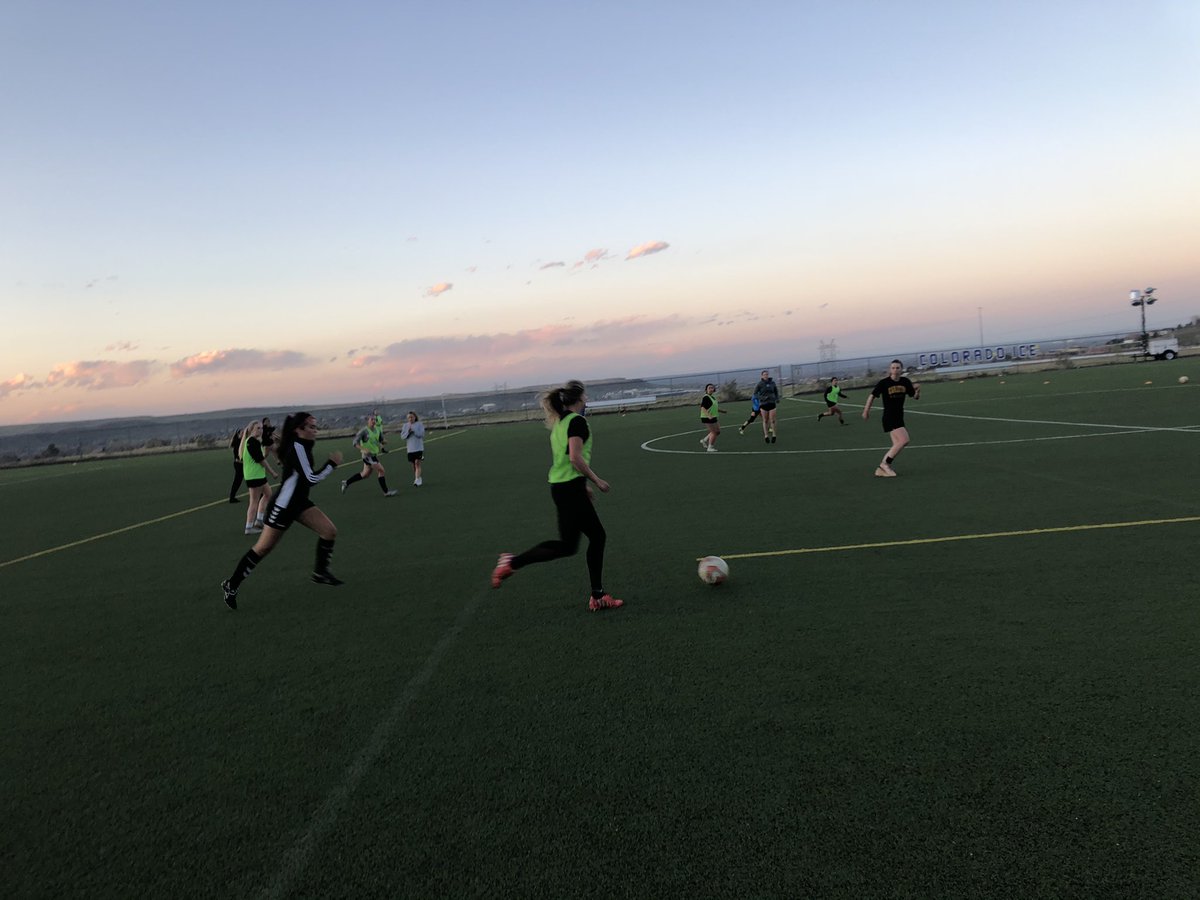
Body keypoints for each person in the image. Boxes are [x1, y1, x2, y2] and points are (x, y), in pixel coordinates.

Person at [490, 380, 623, 612]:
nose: (587, 400)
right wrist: (596, 480)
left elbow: (565, 461)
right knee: (597, 537)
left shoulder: (560, 422)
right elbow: (574, 457)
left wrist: (582, 486)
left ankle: (511, 562)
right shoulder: (577, 422)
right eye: (586, 396)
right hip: (569, 488)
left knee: (567, 545)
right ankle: (598, 596)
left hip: (562, 487)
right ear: (579, 398)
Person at [220, 412, 345, 610]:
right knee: (263, 548)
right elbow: (310, 478)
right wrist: (331, 465)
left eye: (315, 426)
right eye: (311, 426)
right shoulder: (298, 447)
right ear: (299, 430)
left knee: (329, 531)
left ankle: (320, 572)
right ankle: (231, 585)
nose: (315, 430)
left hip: (299, 502)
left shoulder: (301, 445)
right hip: (283, 506)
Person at [862, 359, 920, 477]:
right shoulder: (884, 383)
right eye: (893, 368)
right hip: (889, 416)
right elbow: (872, 396)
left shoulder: (905, 381)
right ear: (890, 369)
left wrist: (917, 391)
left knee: (898, 443)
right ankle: (884, 465)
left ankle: (881, 470)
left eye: (897, 368)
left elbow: (914, 396)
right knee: (904, 440)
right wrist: (866, 410)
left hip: (899, 416)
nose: (895, 370)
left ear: (901, 369)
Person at [341, 413, 397, 497]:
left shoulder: (378, 430)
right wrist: (363, 449)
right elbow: (354, 443)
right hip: (368, 456)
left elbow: (381, 440)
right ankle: (386, 492)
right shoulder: (364, 431)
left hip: (373, 455)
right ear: (368, 421)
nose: (373, 421)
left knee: (365, 474)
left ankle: (347, 482)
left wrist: (384, 441)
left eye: (375, 419)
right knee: (381, 470)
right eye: (372, 419)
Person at [239, 419, 279, 534]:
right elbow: (260, 460)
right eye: (258, 428)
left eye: (261, 428)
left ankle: (259, 520)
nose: (260, 430)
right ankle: (249, 527)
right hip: (254, 476)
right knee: (254, 501)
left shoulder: (254, 441)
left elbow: (262, 456)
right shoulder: (252, 442)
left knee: (268, 494)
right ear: (251, 430)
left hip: (257, 475)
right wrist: (272, 472)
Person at [752, 369, 780, 443]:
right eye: (764, 375)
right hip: (763, 404)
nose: (766, 376)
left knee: (773, 420)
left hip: (772, 403)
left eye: (767, 374)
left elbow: (776, 391)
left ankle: (774, 435)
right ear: (762, 376)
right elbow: (755, 394)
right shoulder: (759, 384)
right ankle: (766, 436)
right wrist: (762, 398)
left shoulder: (772, 383)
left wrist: (777, 398)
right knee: (765, 420)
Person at [698, 383, 727, 452]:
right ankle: (710, 447)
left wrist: (722, 411)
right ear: (706, 390)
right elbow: (702, 408)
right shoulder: (706, 397)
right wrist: (708, 416)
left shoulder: (712, 397)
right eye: (709, 388)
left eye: (712, 388)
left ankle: (704, 440)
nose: (711, 389)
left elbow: (714, 408)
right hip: (707, 417)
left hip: (713, 416)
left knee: (718, 432)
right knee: (714, 432)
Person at [400, 411, 426, 485]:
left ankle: (417, 479)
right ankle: (418, 477)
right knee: (413, 465)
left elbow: (421, 434)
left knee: (417, 463)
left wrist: (414, 431)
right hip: (410, 449)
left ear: (415, 417)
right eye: (409, 417)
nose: (410, 419)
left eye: (411, 417)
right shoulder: (405, 426)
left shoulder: (419, 424)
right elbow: (402, 437)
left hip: (418, 448)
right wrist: (408, 432)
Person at [227, 427, 244, 503]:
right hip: (239, 464)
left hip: (240, 464)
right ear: (238, 434)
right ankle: (232, 497)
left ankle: (232, 497)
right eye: (242, 433)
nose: (244, 434)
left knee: (239, 481)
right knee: (237, 481)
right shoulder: (238, 442)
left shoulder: (241, 441)